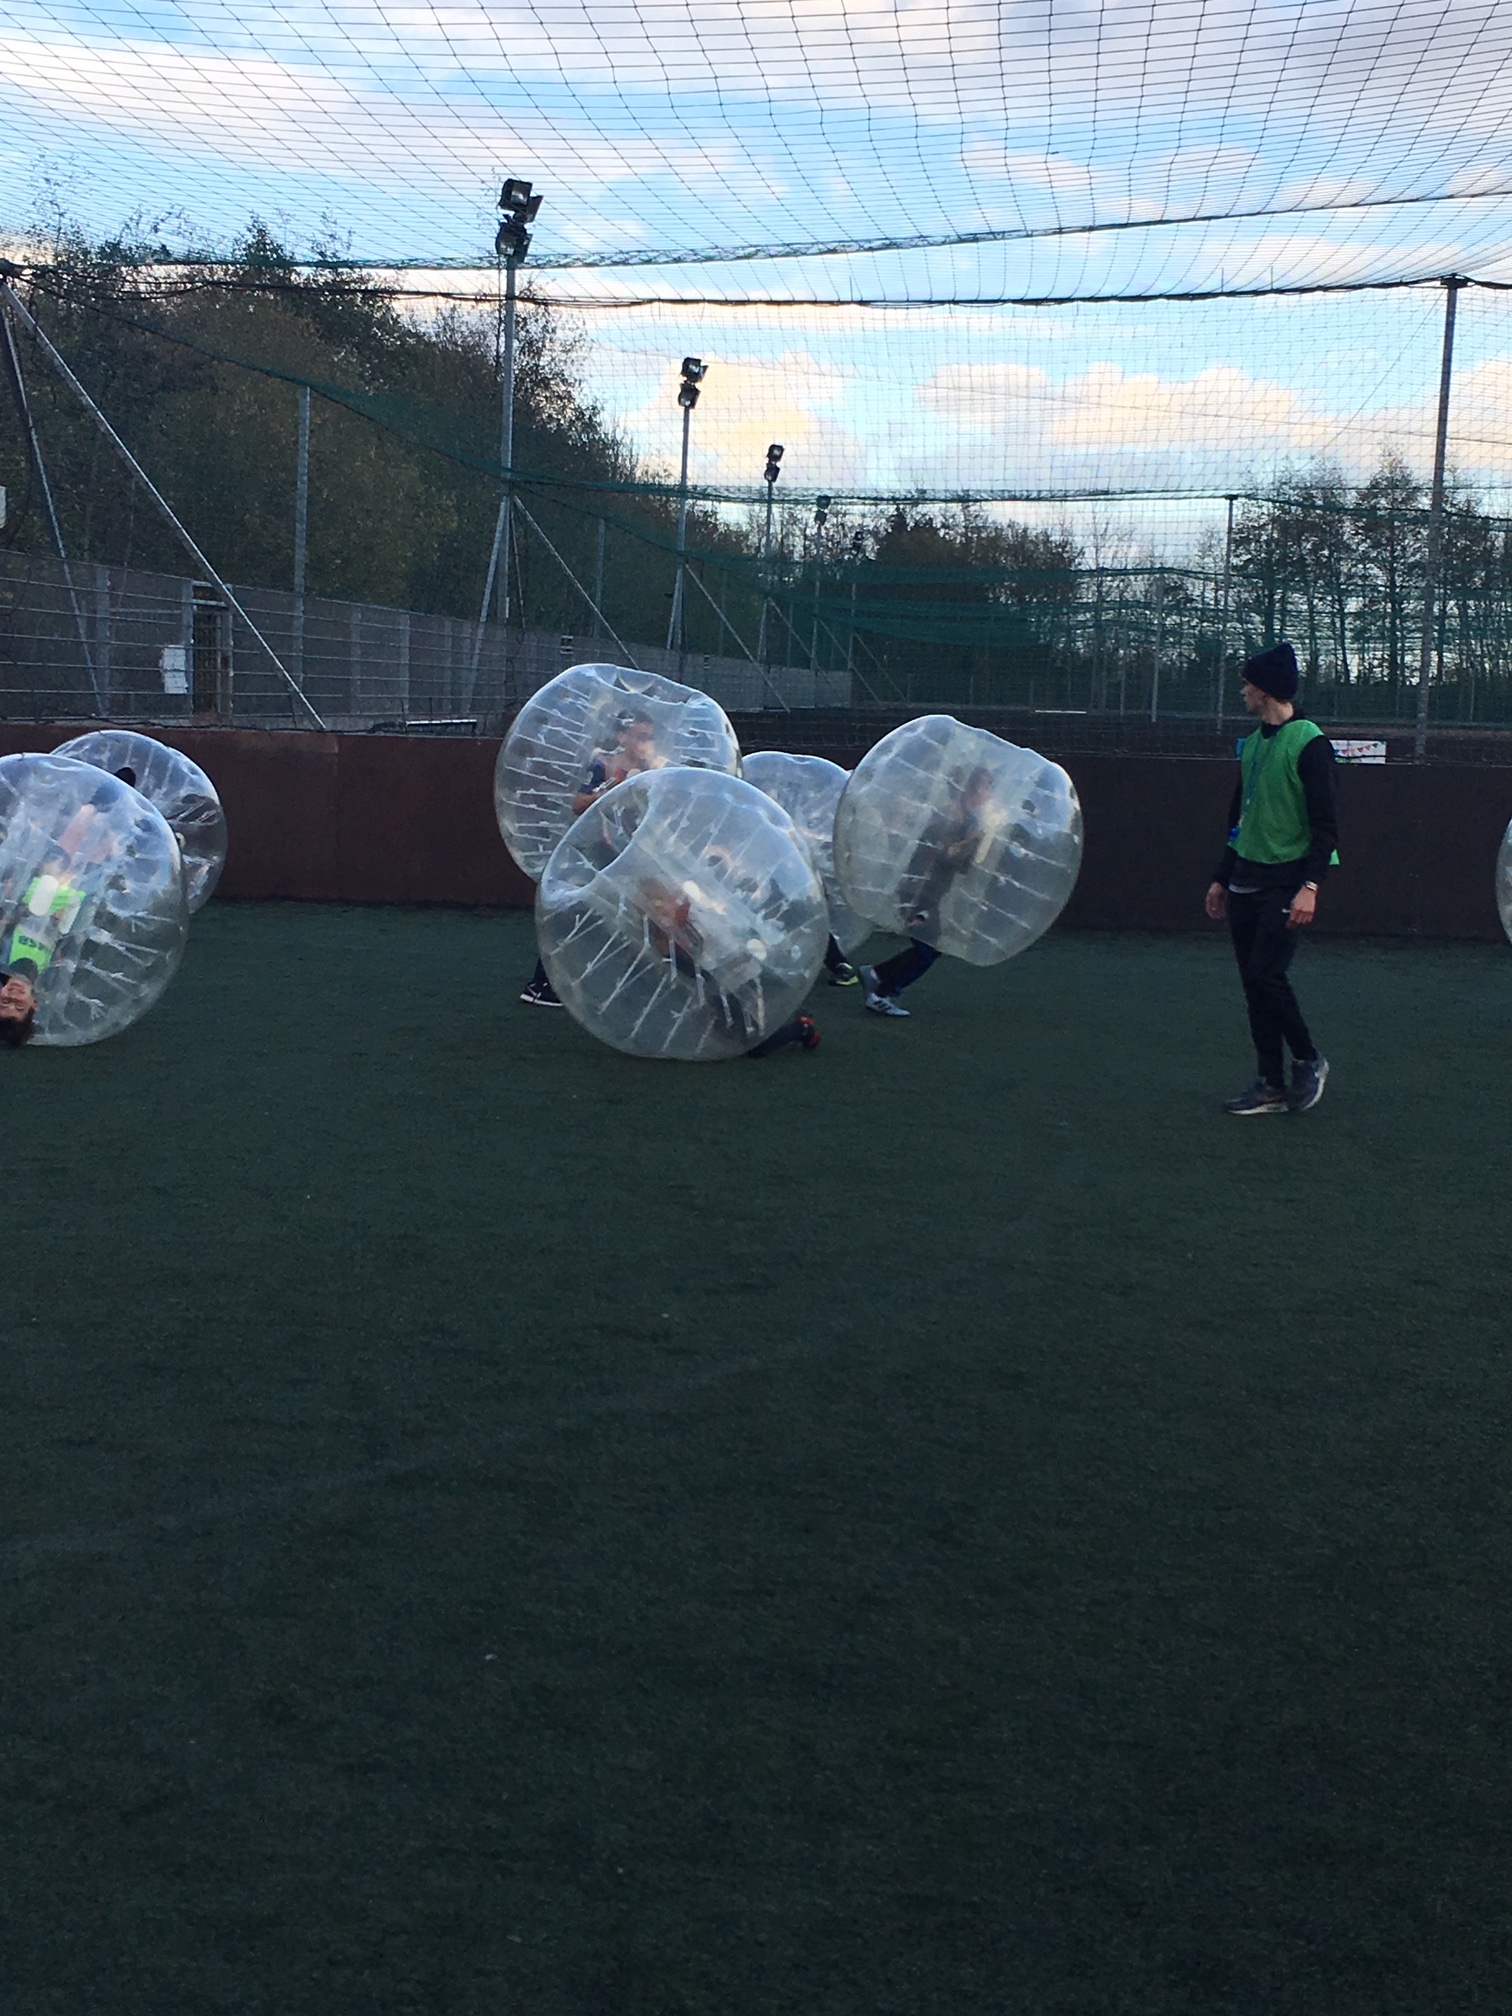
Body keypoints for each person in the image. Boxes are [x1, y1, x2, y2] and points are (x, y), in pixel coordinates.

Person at [1205, 641, 1338, 1115]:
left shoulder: (1310, 744)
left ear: (1265, 689)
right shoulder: (1254, 744)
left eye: (1247, 684)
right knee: (1253, 983)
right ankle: (1271, 1084)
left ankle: (1308, 1057)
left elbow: (1326, 825)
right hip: (1246, 876)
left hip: (1288, 880)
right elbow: (1239, 817)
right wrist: (1222, 876)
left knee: (1266, 973)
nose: (1242, 692)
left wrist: (1310, 887)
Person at [521, 711, 662, 1008]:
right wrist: (611, 793)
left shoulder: (650, 769)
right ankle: (541, 984)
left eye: (649, 738)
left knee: (636, 914)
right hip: (596, 851)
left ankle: (625, 981)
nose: (645, 744)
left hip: (626, 853)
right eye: (639, 737)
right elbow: (577, 803)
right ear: (622, 737)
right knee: (579, 913)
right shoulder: (602, 766)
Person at [861, 764, 995, 1018]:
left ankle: (877, 976)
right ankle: (881, 992)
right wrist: (971, 841)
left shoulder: (970, 820)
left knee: (930, 947)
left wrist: (975, 847)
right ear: (972, 787)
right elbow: (940, 855)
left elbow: (961, 866)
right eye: (987, 786)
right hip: (918, 890)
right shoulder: (950, 815)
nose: (990, 793)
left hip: (931, 893)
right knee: (927, 948)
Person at [0, 795, 113, 1049]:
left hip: (34, 901)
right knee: (95, 864)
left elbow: (6, 920)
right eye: (19, 1005)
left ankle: (94, 804)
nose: (13, 996)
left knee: (62, 855)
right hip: (65, 913)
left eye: (5, 1001)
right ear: (34, 1004)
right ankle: (116, 822)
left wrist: (15, 903)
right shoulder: (47, 980)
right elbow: (66, 948)